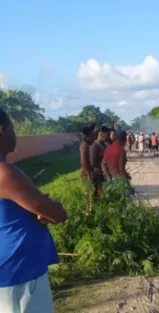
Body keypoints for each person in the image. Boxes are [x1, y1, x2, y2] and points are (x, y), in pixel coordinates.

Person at [0, 108, 67, 313]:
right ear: (2, 130)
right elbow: (57, 214)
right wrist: (52, 207)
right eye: (13, 127)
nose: (15, 134)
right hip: (19, 269)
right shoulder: (5, 173)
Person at [89, 126, 110, 198]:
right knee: (99, 196)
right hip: (98, 175)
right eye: (103, 135)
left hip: (105, 173)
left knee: (105, 194)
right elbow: (93, 163)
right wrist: (104, 162)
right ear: (99, 134)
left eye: (106, 135)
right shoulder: (94, 147)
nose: (105, 137)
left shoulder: (105, 145)